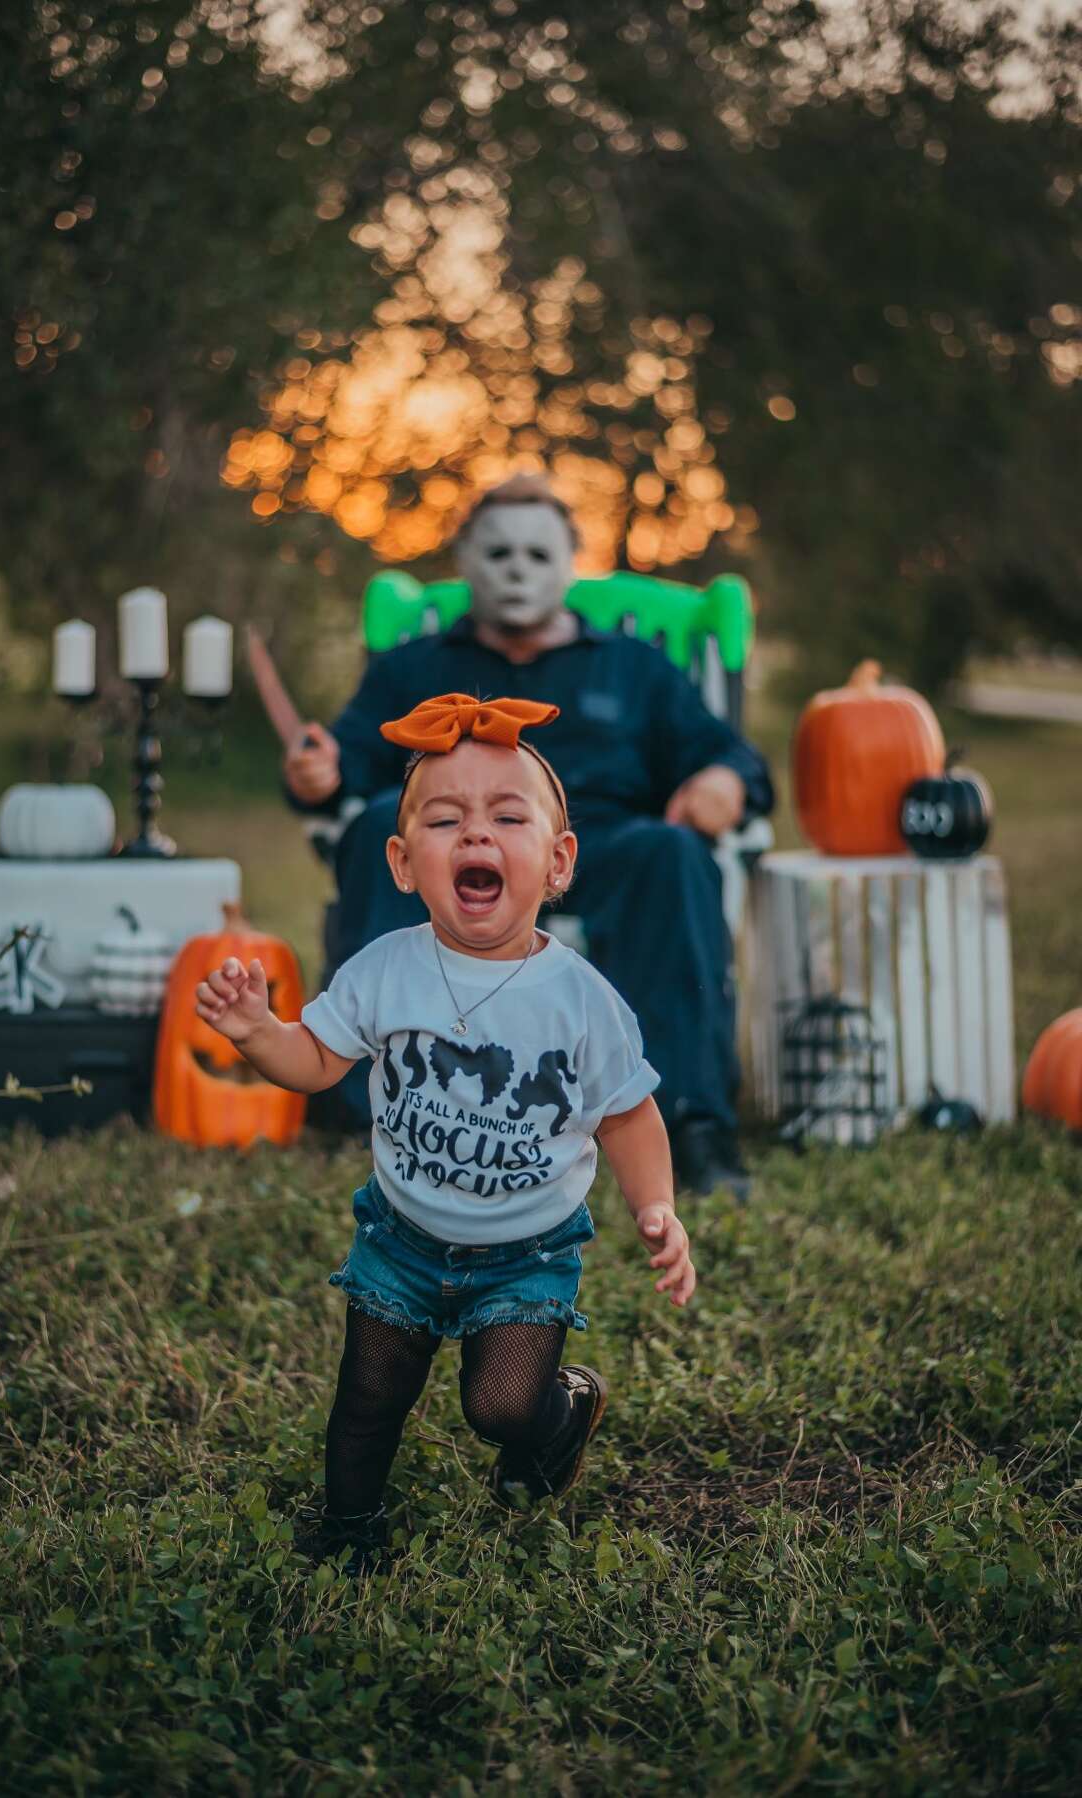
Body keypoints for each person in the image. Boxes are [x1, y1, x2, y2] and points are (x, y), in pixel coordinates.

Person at [197, 693, 695, 1569]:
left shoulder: (581, 1001)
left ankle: (559, 1414)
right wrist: (257, 1034)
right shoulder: (386, 971)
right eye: (445, 819)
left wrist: (656, 1207)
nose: (476, 836)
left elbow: (627, 1111)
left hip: (528, 1250)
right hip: (403, 1238)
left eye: (508, 816)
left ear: (558, 861)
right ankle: (349, 1531)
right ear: (402, 861)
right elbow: (315, 1059)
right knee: (368, 1399)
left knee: (498, 1407)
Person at [283, 475, 774, 1197]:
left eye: (538, 555)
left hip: (595, 848)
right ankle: (364, 1115)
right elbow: (349, 754)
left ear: (571, 562)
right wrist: (316, 772)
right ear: (466, 559)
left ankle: (691, 1125)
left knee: (673, 854)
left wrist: (725, 781)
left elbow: (732, 755)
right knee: (374, 825)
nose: (518, 568)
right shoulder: (416, 666)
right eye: (500, 551)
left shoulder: (633, 667)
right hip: (461, 852)